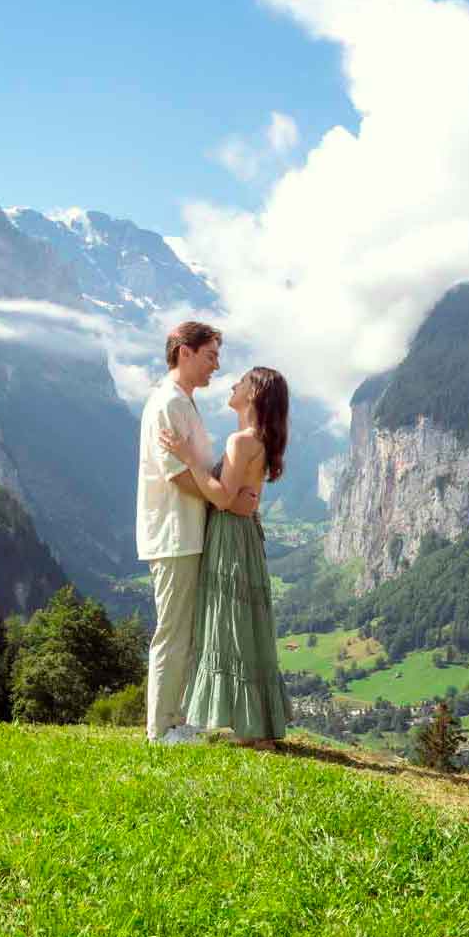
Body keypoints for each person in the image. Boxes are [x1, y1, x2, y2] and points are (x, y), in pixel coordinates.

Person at [136, 321, 258, 743]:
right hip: (173, 533)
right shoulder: (167, 405)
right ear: (184, 353)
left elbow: (196, 467)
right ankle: (161, 729)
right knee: (172, 631)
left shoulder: (184, 403)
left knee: (187, 631)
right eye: (210, 356)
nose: (216, 366)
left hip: (188, 531)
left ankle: (177, 721)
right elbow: (177, 475)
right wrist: (222, 498)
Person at [159, 366, 292, 749]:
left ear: (254, 394)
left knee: (230, 623)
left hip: (230, 539)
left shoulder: (241, 441)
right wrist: (238, 500)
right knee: (245, 623)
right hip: (243, 535)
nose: (234, 384)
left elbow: (220, 495)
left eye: (243, 381)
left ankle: (250, 729)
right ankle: (255, 726)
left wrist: (188, 458)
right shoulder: (258, 440)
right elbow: (238, 498)